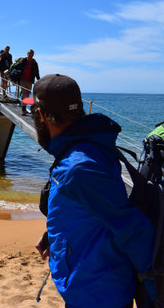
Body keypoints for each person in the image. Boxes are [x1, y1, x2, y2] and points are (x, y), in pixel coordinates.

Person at [25, 74, 155, 308]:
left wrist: (157, 293)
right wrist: (53, 236)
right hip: (86, 288)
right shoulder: (81, 150)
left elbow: (132, 228)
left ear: (41, 115)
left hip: (99, 295)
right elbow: (91, 210)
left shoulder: (79, 167)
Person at [17, 49, 40, 115]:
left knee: (27, 94)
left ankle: (24, 107)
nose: (31, 55)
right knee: (24, 94)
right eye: (29, 53)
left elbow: (36, 72)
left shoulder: (34, 63)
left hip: (30, 81)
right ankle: (23, 110)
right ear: (27, 54)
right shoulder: (23, 61)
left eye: (32, 54)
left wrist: (38, 79)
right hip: (22, 80)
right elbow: (17, 67)